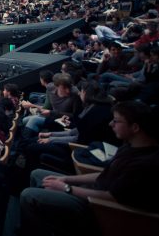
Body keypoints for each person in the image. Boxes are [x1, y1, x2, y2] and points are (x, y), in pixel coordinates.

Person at [20, 101, 159, 236]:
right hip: (91, 190)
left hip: (97, 208)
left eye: (116, 121)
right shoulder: (129, 146)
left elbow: (111, 197)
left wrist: (67, 188)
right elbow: (104, 174)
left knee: (28, 195)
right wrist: (66, 179)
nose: (111, 124)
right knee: (37, 174)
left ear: (135, 127)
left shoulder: (144, 164)